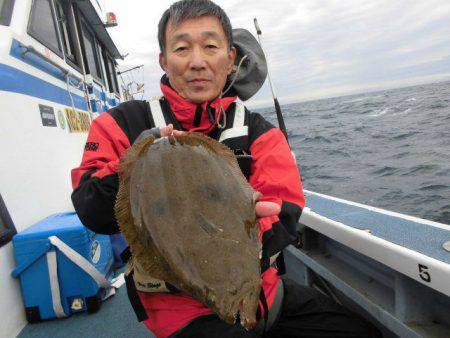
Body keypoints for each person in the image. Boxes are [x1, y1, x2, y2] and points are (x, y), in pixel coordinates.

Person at [71, 0, 381, 337]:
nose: (197, 62)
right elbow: (92, 211)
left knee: (360, 331)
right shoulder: (119, 124)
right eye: (182, 48)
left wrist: (260, 221)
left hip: (265, 292)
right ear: (163, 59)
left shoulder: (260, 132)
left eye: (210, 46)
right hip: (181, 311)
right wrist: (134, 162)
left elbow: (286, 207)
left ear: (230, 58)